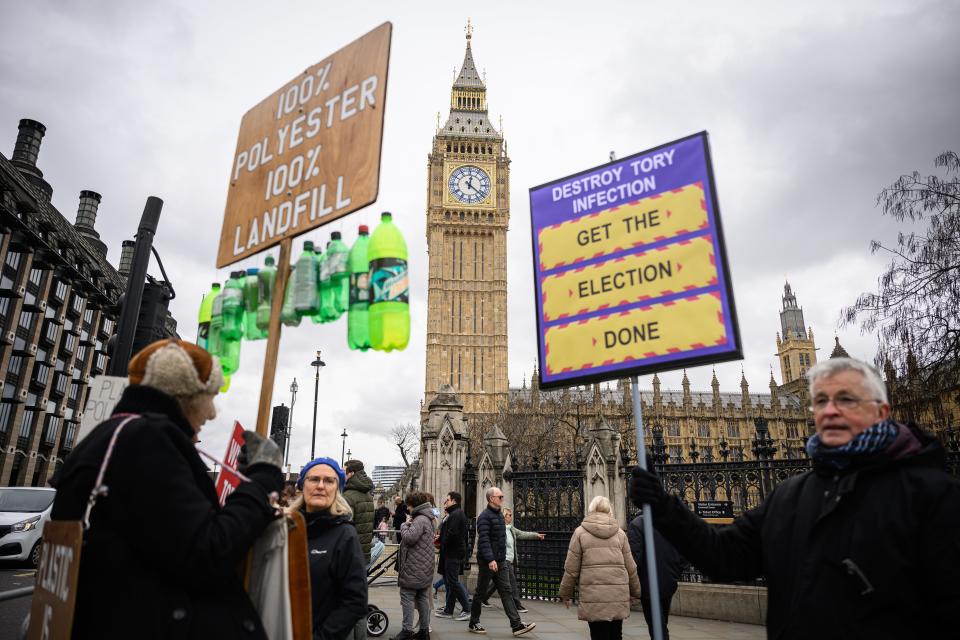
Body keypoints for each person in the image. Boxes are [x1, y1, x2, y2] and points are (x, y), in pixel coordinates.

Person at [629, 357, 960, 639]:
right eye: (820, 401)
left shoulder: (933, 495)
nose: (830, 411)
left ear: (882, 411)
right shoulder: (791, 495)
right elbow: (724, 556)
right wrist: (663, 505)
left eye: (845, 399)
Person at [49, 339, 284, 639]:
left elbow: (164, 539)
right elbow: (207, 551)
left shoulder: (109, 436)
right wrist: (262, 480)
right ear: (184, 395)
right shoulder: (147, 439)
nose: (212, 413)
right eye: (209, 396)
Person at [291, 456, 367, 640]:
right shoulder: (285, 528)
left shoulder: (345, 535)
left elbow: (355, 600)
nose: (320, 486)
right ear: (302, 486)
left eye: (329, 481)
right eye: (314, 479)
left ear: (337, 489)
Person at [558, 496, 641, 640]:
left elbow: (571, 569)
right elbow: (631, 567)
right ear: (609, 510)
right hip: (617, 595)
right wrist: (636, 591)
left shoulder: (580, 533)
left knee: (597, 635)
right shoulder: (620, 533)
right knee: (616, 634)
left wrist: (565, 593)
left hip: (593, 596)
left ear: (591, 509)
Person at [468, 487, 536, 636]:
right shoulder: (484, 517)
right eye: (500, 497)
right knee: (480, 592)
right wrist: (490, 559)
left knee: (506, 591)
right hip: (488, 562)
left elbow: (501, 539)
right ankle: (474, 622)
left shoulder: (499, 515)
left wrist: (501, 558)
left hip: (501, 561)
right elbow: (484, 540)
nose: (502, 499)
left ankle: (516, 625)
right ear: (491, 499)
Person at [627, 514, 682, 640]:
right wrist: (675, 573)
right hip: (669, 582)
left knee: (657, 626)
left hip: (648, 584)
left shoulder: (637, 524)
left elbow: (635, 559)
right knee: (662, 622)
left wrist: (633, 585)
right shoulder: (671, 522)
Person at [393, 492, 438, 640]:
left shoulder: (420, 519)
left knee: (407, 596)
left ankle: (407, 630)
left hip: (415, 566)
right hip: (424, 566)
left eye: (409, 505)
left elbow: (409, 538)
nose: (408, 508)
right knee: (422, 597)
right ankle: (424, 631)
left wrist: (404, 525)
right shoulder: (428, 518)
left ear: (414, 505)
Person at [482, 507, 545, 613]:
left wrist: (536, 535)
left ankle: (483, 598)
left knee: (497, 582)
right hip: (503, 559)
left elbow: (522, 534)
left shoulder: (511, 529)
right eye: (509, 515)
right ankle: (517, 604)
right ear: (504, 517)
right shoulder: (499, 529)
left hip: (509, 560)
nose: (511, 517)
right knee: (511, 581)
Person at [343, 460, 375, 640]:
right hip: (363, 555)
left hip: (349, 558)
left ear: (351, 473)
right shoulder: (367, 494)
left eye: (344, 471)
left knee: (345, 605)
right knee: (359, 602)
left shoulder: (349, 496)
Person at [436, 491, 471, 620]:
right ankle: (449, 610)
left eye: (448, 500)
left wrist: (442, 542)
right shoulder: (454, 514)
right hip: (450, 552)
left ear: (454, 501)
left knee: (453, 581)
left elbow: (452, 534)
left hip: (453, 552)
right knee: (451, 581)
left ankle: (467, 609)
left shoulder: (456, 514)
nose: (446, 502)